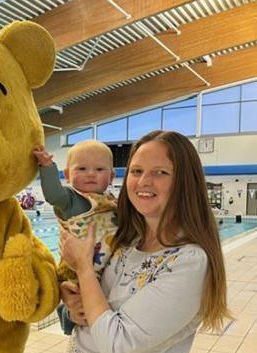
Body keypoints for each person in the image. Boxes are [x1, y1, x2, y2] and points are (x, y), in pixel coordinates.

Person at [59, 130, 230, 353]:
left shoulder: (189, 262)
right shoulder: (126, 240)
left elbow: (117, 344)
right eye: (136, 171)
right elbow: (92, 301)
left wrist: (83, 268)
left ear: (184, 181)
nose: (143, 181)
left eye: (159, 172)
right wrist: (71, 307)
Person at [33, 141, 118, 334]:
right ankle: (66, 317)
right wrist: (47, 167)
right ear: (67, 174)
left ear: (111, 177)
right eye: (82, 168)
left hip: (102, 266)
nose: (90, 173)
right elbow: (53, 194)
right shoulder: (70, 200)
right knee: (77, 301)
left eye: (99, 169)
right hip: (76, 270)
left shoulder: (112, 201)